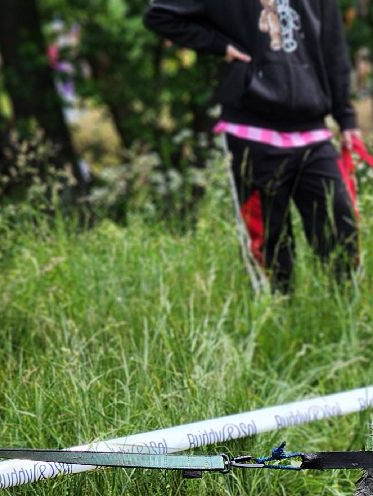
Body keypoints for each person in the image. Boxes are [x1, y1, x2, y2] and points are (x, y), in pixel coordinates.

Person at [143, 0, 360, 295]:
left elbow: (333, 49)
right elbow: (161, 15)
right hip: (252, 132)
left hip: (313, 132)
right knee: (271, 246)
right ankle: (280, 324)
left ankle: (346, 321)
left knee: (339, 232)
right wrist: (218, 44)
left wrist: (346, 118)